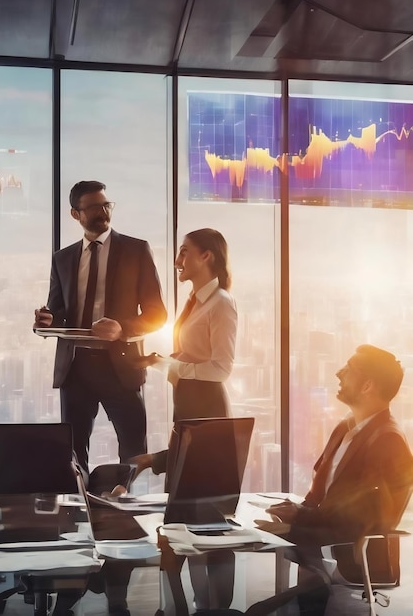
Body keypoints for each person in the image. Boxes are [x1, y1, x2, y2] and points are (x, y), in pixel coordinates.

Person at [34, 180, 167, 476]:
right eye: (93, 207)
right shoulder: (63, 258)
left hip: (120, 365)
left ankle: (125, 511)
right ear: (75, 214)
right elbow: (57, 312)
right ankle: (80, 513)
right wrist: (47, 320)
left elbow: (158, 314)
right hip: (75, 368)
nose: (103, 211)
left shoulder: (136, 250)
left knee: (134, 450)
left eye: (106, 205)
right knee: (73, 453)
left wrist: (122, 328)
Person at [263, 344, 413, 547]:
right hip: (318, 550)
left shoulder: (388, 441)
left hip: (349, 564)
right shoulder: (344, 428)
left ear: (367, 386)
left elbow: (359, 523)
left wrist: (295, 524)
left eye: (349, 368)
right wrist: (290, 514)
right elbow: (319, 497)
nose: (338, 373)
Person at [130, 228, 238, 477]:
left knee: (195, 491)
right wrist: (158, 362)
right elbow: (191, 356)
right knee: (180, 489)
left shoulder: (221, 303)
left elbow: (221, 369)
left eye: (184, 253)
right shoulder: (196, 302)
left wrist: (176, 367)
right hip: (188, 403)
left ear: (206, 256)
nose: (177, 262)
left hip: (207, 407)